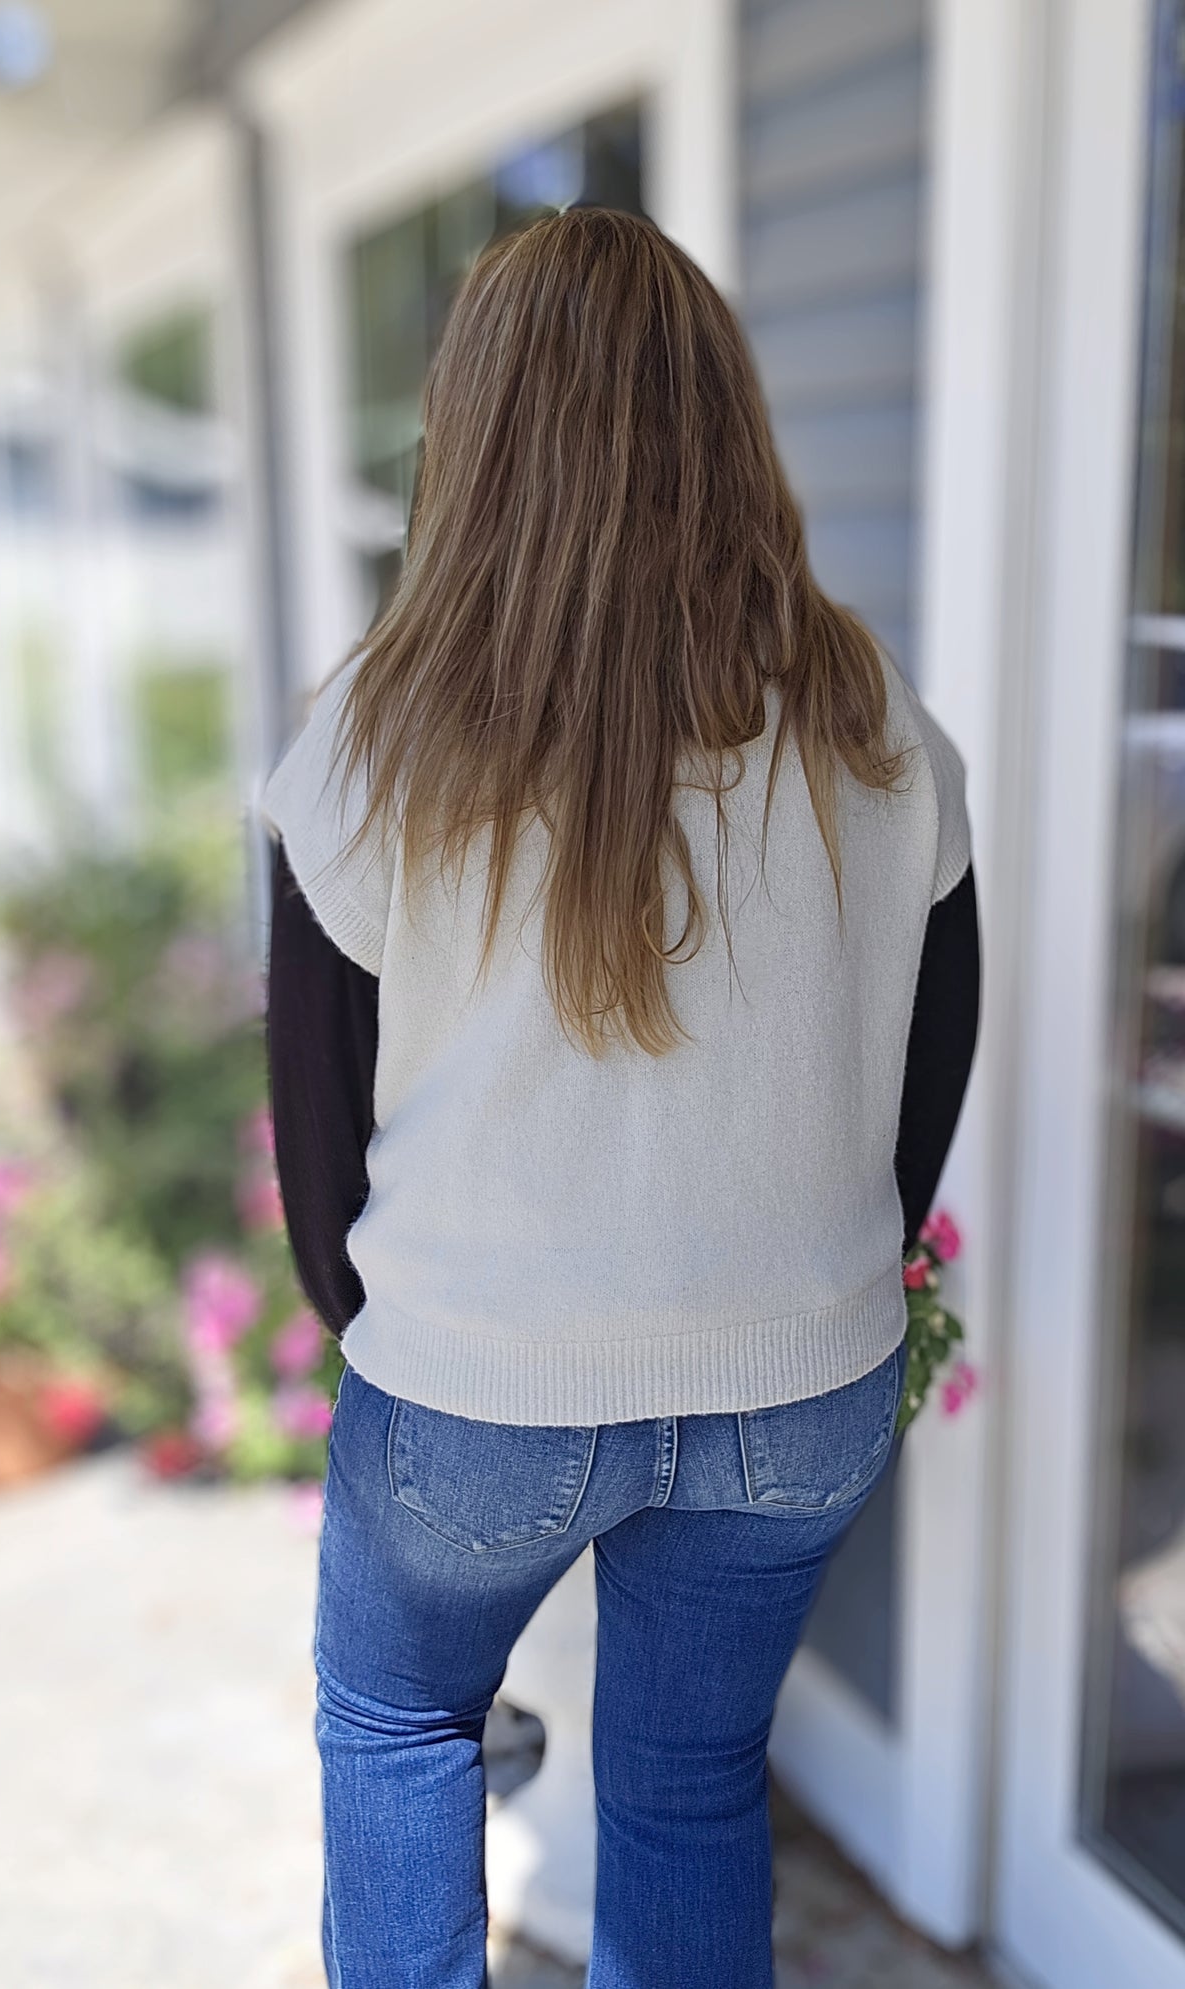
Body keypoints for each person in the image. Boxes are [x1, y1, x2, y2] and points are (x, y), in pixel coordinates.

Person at [260, 205, 981, 1989]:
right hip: (793, 1388)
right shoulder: (875, 721)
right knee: (687, 1784)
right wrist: (824, 1278)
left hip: (473, 1388)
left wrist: (413, 1342)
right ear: (724, 425)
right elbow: (927, 1070)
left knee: (403, 1728)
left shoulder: (376, 740)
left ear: (476, 434)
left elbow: (312, 1139)